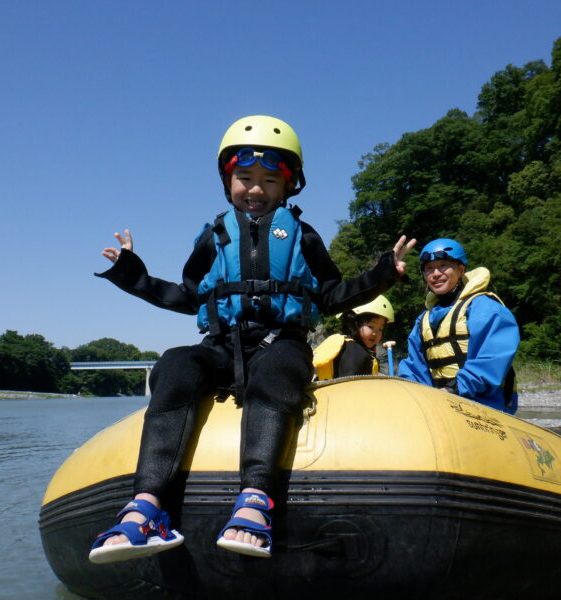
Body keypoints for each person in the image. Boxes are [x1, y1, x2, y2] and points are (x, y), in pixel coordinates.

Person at [88, 115, 417, 563]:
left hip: (282, 341)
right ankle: (146, 506)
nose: (256, 189)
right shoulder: (214, 236)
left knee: (281, 369)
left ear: (288, 186)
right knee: (175, 363)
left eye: (269, 180)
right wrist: (133, 275)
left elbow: (332, 294)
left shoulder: (304, 235)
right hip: (222, 343)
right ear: (229, 182)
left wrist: (383, 274)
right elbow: (187, 296)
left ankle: (256, 499)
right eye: (245, 178)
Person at [397, 238, 519, 414]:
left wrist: (453, 389)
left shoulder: (485, 308)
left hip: (488, 405)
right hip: (444, 405)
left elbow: (491, 360)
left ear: (461, 270)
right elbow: (414, 369)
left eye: (443, 266)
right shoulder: (423, 321)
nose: (435, 274)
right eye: (429, 269)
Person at [312, 294, 395, 380]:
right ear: (354, 323)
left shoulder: (342, 344)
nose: (375, 333)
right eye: (371, 326)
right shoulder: (355, 352)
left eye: (381, 329)